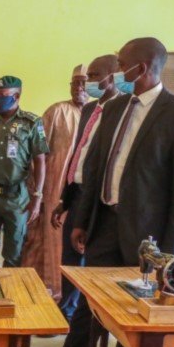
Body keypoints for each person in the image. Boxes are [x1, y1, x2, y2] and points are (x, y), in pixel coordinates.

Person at [41, 38, 174, 347]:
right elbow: (95, 169)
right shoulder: (112, 109)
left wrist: (169, 255)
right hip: (105, 224)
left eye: (120, 64)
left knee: (135, 309)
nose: (115, 71)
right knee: (91, 303)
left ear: (141, 68)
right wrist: (81, 219)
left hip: (149, 238)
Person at [52, 55, 121, 321]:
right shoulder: (91, 110)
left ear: (111, 78)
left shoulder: (122, 111)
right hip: (78, 193)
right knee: (70, 260)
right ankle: (67, 310)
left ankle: (87, 316)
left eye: (93, 77)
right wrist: (65, 200)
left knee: (91, 262)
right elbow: (79, 155)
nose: (87, 83)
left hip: (99, 200)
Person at [20, 65, 87, 299]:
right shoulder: (56, 112)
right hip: (53, 192)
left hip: (84, 196)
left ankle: (69, 301)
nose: (79, 87)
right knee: (48, 244)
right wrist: (35, 194)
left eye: (84, 82)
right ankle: (46, 297)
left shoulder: (103, 114)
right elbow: (37, 156)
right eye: (75, 83)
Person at [0, 76, 48, 268]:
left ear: (16, 96)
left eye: (2, 95)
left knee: (14, 252)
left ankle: (10, 292)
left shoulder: (32, 123)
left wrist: (38, 195)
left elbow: (40, 161)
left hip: (17, 198)